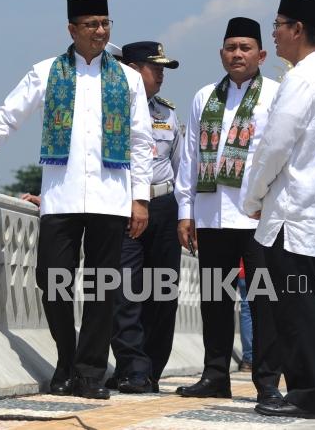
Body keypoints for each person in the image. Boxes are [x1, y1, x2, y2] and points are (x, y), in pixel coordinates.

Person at [0, 0, 153, 400]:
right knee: (52, 280)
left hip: (110, 199)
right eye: (92, 24)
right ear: (72, 30)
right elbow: (8, 115)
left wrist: (141, 198)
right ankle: (66, 359)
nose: (100, 31)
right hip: (59, 198)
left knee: (101, 288)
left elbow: (141, 140)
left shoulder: (127, 79)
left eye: (106, 23)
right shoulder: (47, 72)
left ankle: (90, 373)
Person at [243, 0, 315, 419]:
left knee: (297, 310)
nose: (276, 36)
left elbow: (273, 147)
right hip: (310, 214)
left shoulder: (301, 79)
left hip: (291, 216)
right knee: (308, 308)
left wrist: (252, 197)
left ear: (298, 29)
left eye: (278, 27)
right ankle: (312, 392)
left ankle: (307, 395)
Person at [174, 17, 282, 403]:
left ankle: (267, 382)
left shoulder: (275, 94)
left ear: (261, 54)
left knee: (263, 300)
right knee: (214, 300)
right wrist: (185, 212)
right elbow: (188, 157)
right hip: (212, 215)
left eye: (245, 47)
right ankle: (215, 375)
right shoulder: (204, 96)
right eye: (231, 47)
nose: (238, 54)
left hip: (257, 217)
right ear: (222, 53)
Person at [103, 41, 181, 394]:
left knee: (163, 293)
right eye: (155, 67)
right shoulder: (109, 109)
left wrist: (187, 214)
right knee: (126, 291)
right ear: (133, 70)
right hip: (124, 208)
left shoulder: (167, 112)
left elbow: (183, 167)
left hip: (165, 207)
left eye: (163, 68)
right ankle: (132, 367)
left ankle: (152, 369)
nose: (161, 74)